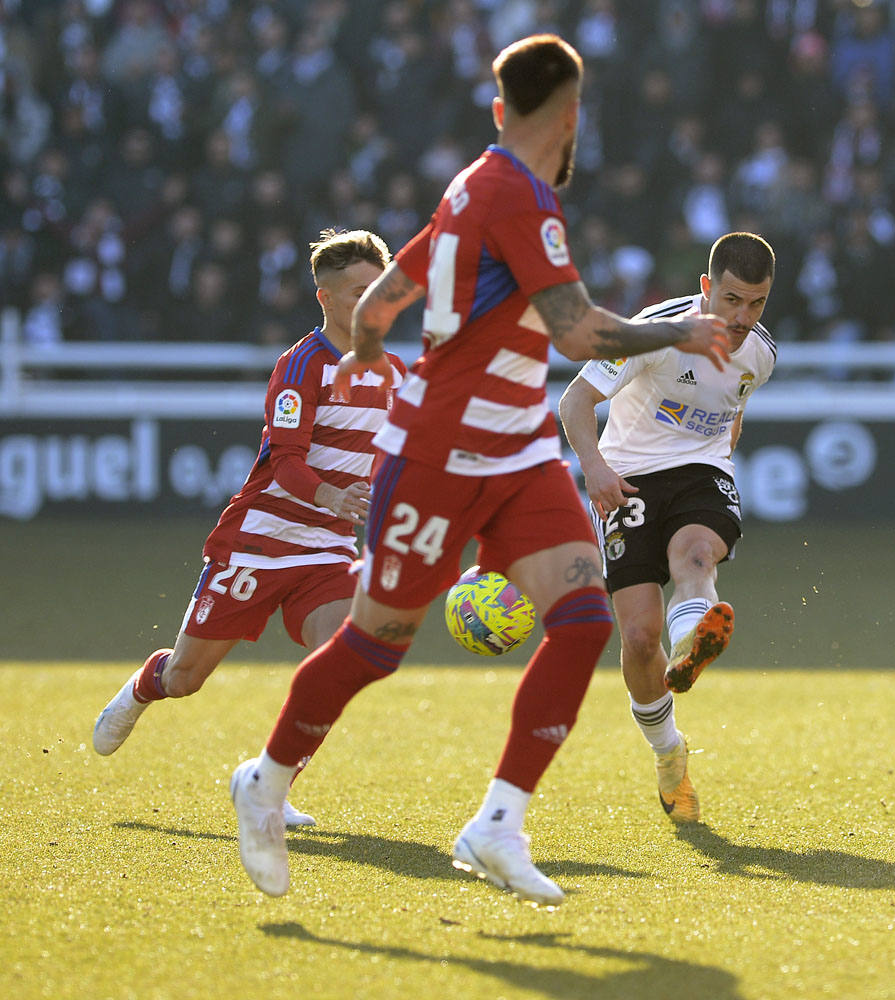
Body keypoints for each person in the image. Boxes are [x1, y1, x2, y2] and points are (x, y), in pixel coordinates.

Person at [228, 33, 731, 906]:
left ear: (502, 112)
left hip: (520, 448)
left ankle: (498, 822)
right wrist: (676, 331)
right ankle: (264, 782)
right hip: (436, 455)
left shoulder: (475, 183)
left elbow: (397, 281)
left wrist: (368, 347)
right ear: (570, 118)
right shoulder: (518, 196)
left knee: (580, 619)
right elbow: (577, 332)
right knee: (374, 644)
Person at [92, 228, 407, 826]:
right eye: (358, 291)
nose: (372, 302)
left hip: (329, 551)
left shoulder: (395, 373)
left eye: (380, 290)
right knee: (185, 678)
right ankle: (142, 686)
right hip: (259, 544)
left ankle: (270, 783)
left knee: (345, 659)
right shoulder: (302, 365)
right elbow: (286, 463)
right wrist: (334, 494)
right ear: (326, 298)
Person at [558, 231, 776, 825]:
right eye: (732, 300)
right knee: (635, 638)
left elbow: (731, 415)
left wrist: (720, 455)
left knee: (697, 554)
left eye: (756, 303)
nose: (742, 317)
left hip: (702, 471)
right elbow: (575, 402)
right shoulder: (650, 332)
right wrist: (595, 469)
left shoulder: (760, 354)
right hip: (628, 479)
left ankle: (696, 635)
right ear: (706, 287)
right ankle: (668, 755)